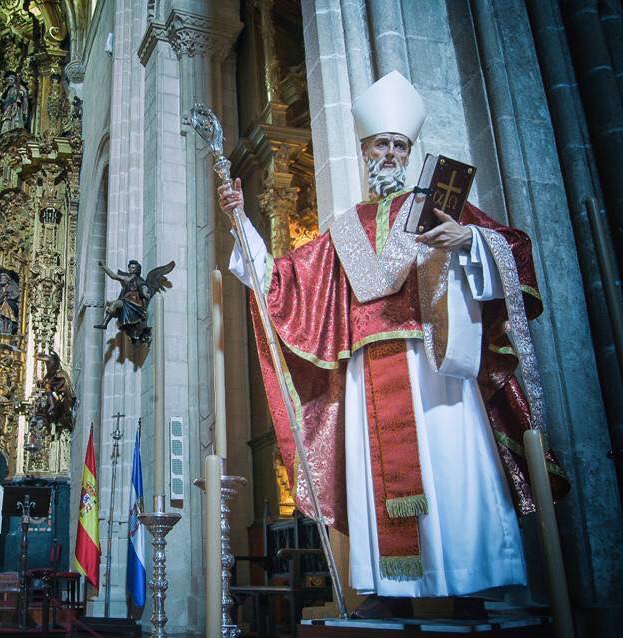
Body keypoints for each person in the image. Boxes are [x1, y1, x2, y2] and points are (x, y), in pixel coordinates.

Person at [220, 70, 567, 617]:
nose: (389, 153)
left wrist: (468, 238)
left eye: (399, 144)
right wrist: (241, 218)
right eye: (380, 143)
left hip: (437, 364)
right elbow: (283, 282)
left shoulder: (442, 209)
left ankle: (467, 583)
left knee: (452, 462)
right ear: (363, 150)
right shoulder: (345, 227)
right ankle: (392, 590)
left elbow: (515, 248)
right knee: (377, 474)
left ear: (410, 153)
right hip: (367, 374)